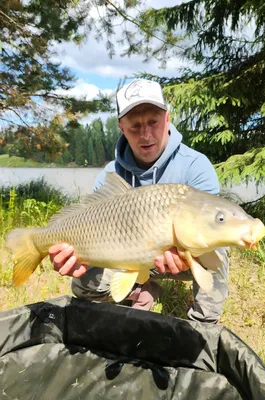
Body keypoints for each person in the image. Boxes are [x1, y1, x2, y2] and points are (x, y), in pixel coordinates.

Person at [49, 78, 229, 324]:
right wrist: (75, 255)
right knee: (83, 285)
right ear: (122, 128)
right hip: (128, 254)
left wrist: (184, 254)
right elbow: (93, 231)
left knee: (217, 240)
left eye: (153, 122)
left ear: (167, 118)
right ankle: (142, 289)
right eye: (135, 126)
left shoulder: (196, 166)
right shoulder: (110, 176)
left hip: (183, 258)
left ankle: (204, 323)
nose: (146, 135)